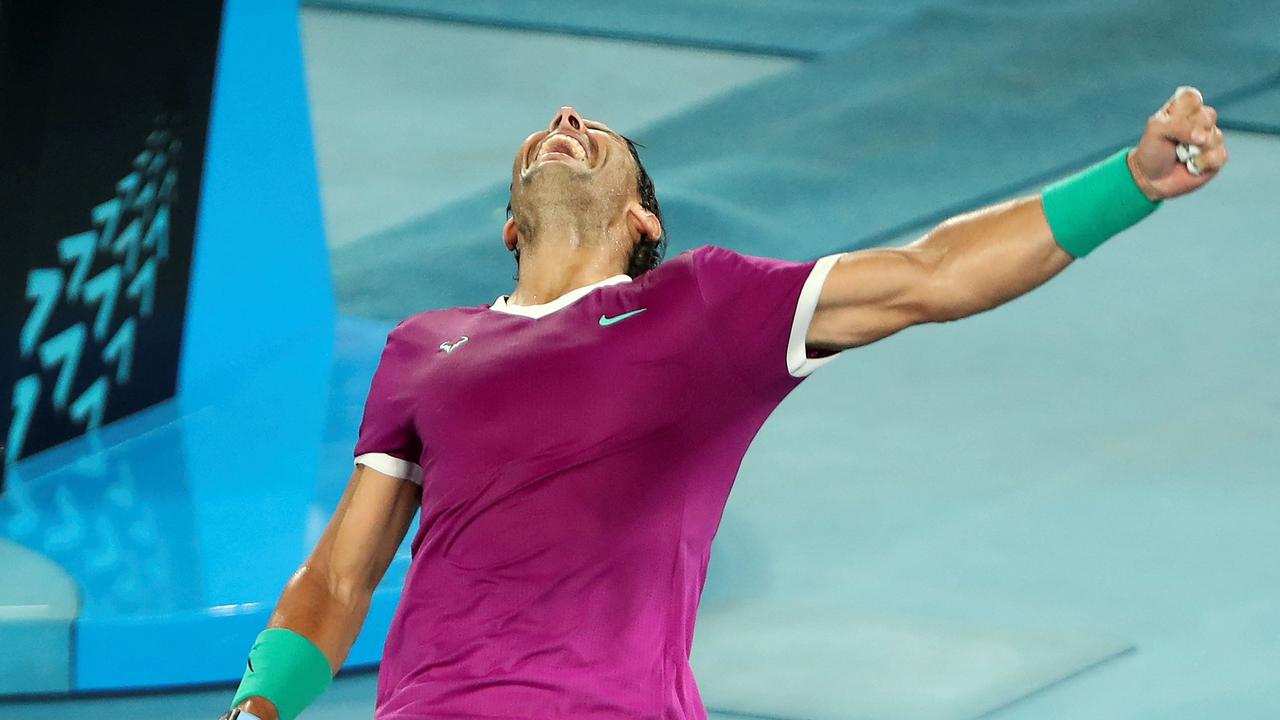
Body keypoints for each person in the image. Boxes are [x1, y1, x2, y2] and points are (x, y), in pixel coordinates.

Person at [219, 87, 1227, 720]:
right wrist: (259, 707)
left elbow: (932, 274)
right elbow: (339, 581)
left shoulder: (698, 306)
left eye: (599, 132)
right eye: (557, 125)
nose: (567, 118)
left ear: (640, 216)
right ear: (508, 231)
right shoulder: (422, 348)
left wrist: (1128, 185)